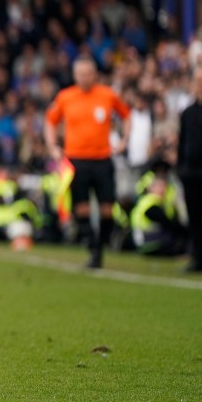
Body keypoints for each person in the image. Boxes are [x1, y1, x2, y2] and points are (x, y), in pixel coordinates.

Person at [45, 57, 131, 269]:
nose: (85, 77)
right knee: (81, 208)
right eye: (80, 74)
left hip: (102, 159)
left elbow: (127, 115)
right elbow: (50, 120)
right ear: (75, 76)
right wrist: (52, 146)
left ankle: (101, 244)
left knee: (108, 210)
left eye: (88, 73)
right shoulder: (65, 97)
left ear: (95, 74)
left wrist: (123, 141)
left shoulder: (107, 94)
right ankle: (94, 249)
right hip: (76, 161)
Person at [177, 67, 202, 272]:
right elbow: (182, 143)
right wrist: (181, 169)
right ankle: (198, 257)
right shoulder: (188, 112)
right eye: (197, 82)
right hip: (190, 173)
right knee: (194, 217)